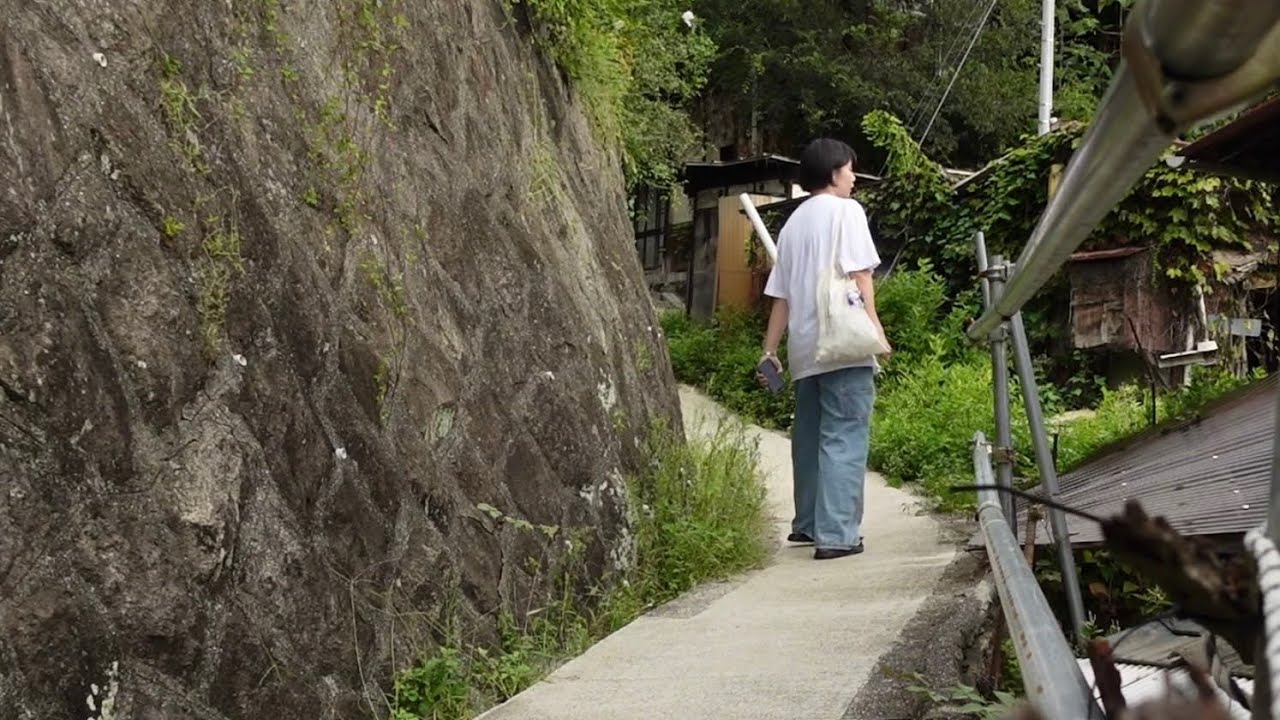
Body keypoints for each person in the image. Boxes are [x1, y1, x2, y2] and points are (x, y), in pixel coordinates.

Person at [758, 138, 889, 561]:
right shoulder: (847, 211)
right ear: (833, 172)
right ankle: (837, 535)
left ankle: (809, 524)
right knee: (845, 434)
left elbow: (781, 297)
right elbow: (860, 275)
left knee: (810, 437)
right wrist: (876, 328)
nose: (854, 178)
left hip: (805, 348)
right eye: (850, 170)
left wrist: (770, 350)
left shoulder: (792, 224)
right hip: (844, 342)